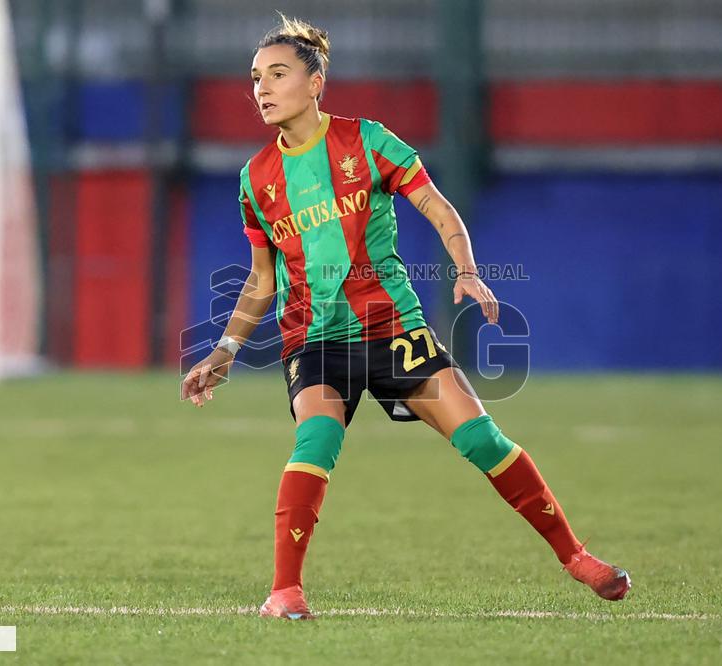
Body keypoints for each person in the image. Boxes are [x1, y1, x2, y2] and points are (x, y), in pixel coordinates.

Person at [182, 14, 630, 620]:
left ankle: (577, 558)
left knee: (481, 438)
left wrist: (466, 270)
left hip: (393, 327)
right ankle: (284, 592)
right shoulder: (255, 178)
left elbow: (440, 210)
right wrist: (225, 351)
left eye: (278, 74)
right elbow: (263, 278)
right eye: (256, 78)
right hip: (315, 339)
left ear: (316, 82)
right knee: (316, 438)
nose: (261, 88)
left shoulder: (369, 142)